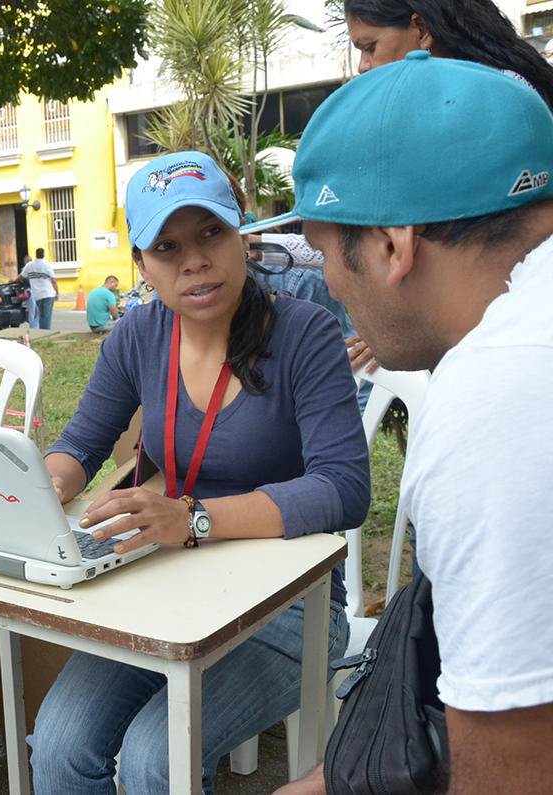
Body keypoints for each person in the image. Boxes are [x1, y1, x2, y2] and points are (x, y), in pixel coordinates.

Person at [27, 151, 370, 795]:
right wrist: (40, 487)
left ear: (242, 235)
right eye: (167, 246)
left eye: (211, 233)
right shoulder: (137, 336)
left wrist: (192, 520)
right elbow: (80, 445)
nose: (195, 261)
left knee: (160, 756)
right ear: (141, 264)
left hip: (290, 607)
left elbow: (344, 489)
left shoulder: (305, 332)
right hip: (170, 590)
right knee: (60, 746)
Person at [274, 52, 553, 795]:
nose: (329, 282)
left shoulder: (497, 399)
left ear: (394, 246)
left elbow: (514, 776)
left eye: (325, 249)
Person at [254, 0, 553, 376]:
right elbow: (355, 238)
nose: (363, 65)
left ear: (421, 29)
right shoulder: (490, 104)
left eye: (369, 46)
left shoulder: (489, 116)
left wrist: (401, 316)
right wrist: (269, 250)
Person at [20, 248, 58, 330]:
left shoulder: (29, 266)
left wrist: (13, 280)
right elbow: (53, 281)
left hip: (37, 295)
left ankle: (42, 332)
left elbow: (21, 276)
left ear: (35, 255)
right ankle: (45, 333)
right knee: (46, 316)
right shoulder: (47, 265)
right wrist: (57, 292)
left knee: (41, 314)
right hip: (48, 294)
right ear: (43, 255)